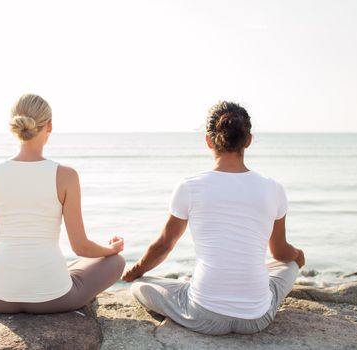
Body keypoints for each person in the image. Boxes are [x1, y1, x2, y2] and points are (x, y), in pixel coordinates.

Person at [122, 101, 305, 335]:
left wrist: (136, 270)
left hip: (204, 316)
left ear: (209, 141)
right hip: (257, 318)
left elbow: (164, 246)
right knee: (288, 265)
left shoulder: (190, 186)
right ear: (248, 140)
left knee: (140, 286)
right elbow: (280, 252)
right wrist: (299, 256)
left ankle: (191, 283)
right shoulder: (274, 188)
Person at [0, 94, 125, 314]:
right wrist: (110, 249)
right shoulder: (66, 176)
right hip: (55, 297)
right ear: (49, 126)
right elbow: (80, 247)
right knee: (116, 262)